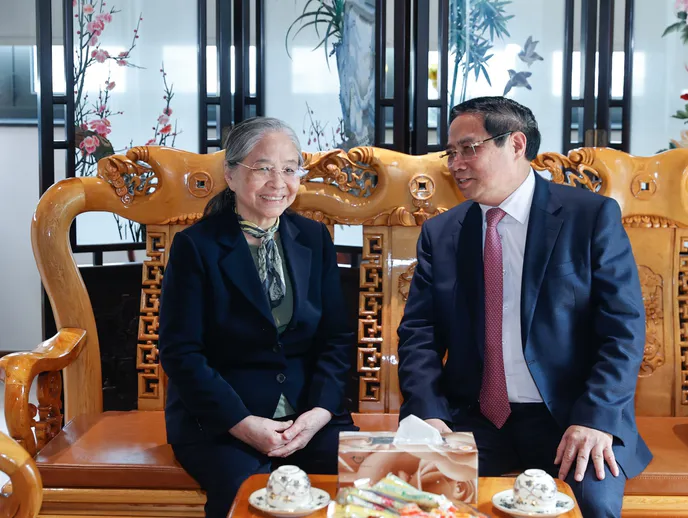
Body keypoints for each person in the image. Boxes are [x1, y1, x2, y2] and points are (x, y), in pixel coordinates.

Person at [397, 96, 652, 517]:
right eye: (450, 152)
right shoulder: (442, 233)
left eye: (468, 149)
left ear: (516, 144)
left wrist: (596, 417)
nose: (455, 164)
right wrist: (429, 414)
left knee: (592, 508)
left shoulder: (589, 217)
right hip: (473, 418)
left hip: (571, 415)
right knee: (421, 504)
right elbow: (419, 334)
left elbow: (623, 328)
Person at [158, 117, 356, 518]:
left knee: (359, 485)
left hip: (308, 414)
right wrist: (241, 422)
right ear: (231, 175)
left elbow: (336, 338)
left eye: (289, 169)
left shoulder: (313, 238)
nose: (278, 182)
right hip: (223, 420)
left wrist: (319, 412)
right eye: (263, 168)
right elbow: (181, 352)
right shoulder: (196, 246)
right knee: (246, 495)